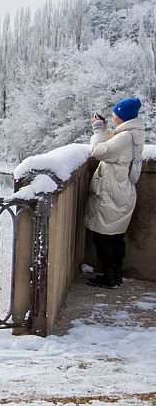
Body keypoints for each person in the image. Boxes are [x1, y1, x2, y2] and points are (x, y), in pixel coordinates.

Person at [85, 97, 145, 288]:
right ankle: (115, 275)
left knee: (103, 237)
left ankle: (110, 278)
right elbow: (114, 143)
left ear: (123, 116)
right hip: (122, 190)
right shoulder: (133, 134)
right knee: (115, 237)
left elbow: (99, 151)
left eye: (115, 114)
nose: (113, 116)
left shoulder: (126, 137)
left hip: (112, 193)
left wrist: (98, 130)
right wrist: (105, 129)